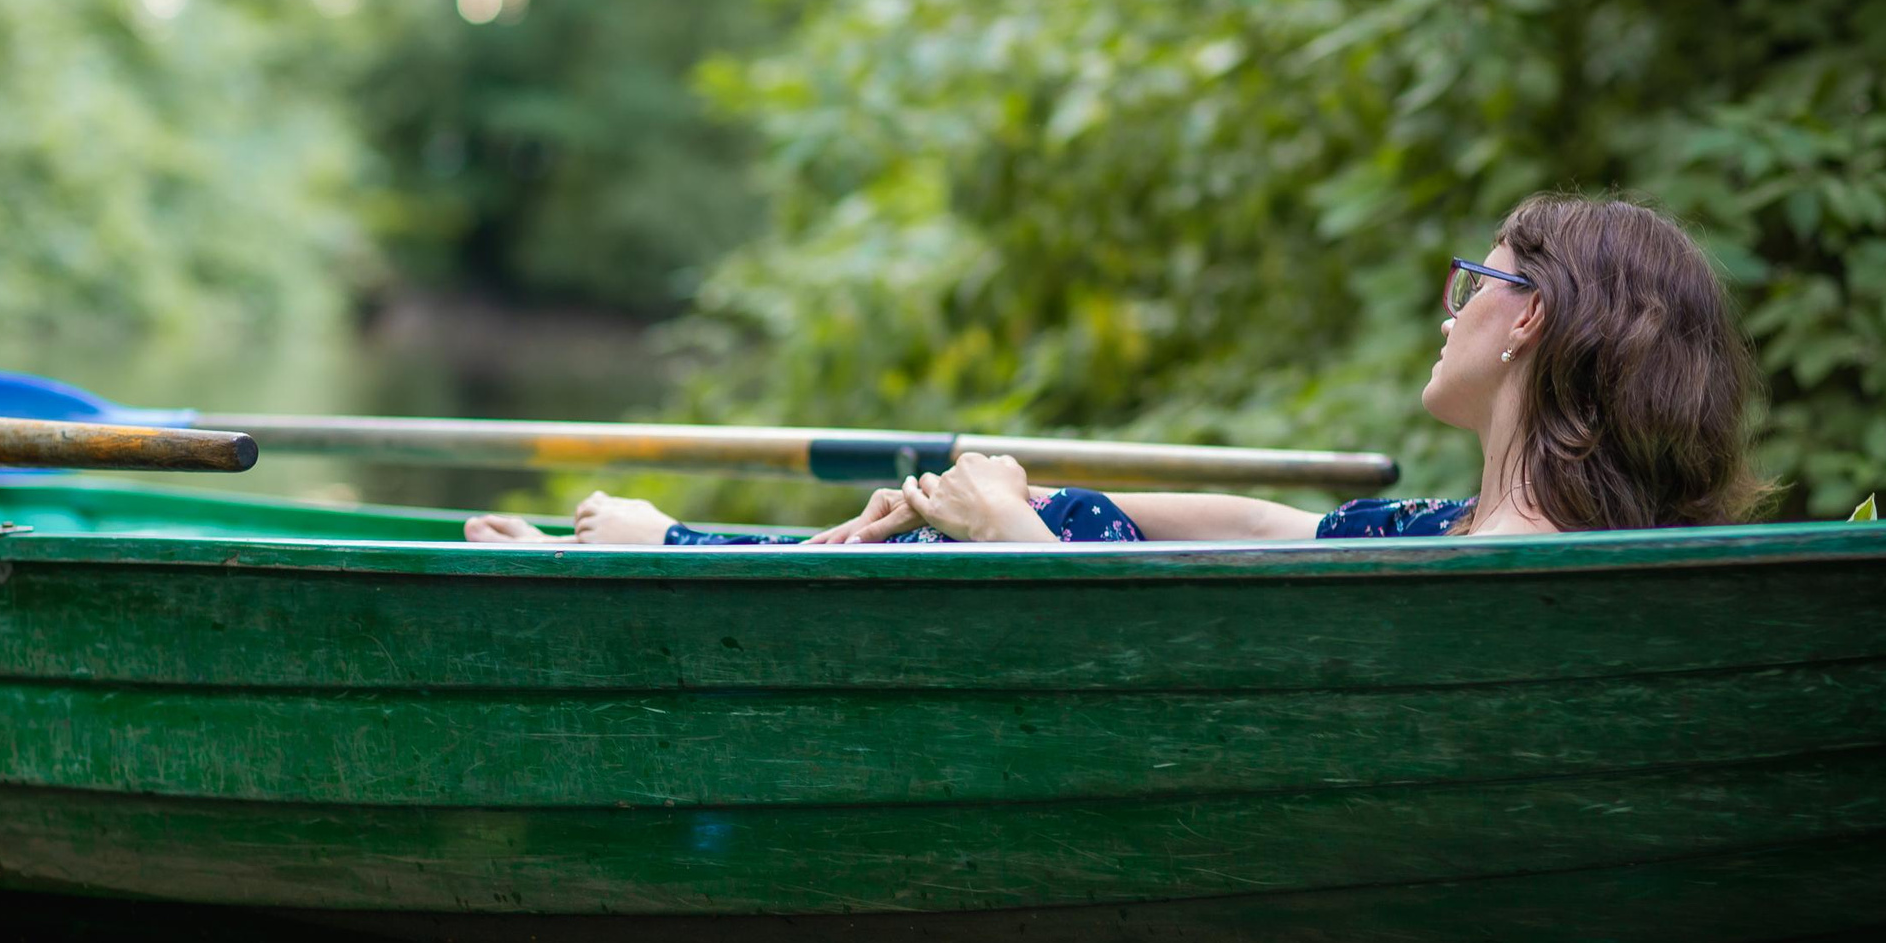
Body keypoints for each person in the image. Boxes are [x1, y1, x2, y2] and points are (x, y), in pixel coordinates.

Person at [466, 193, 1767, 547]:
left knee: (1054, 538)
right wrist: (1009, 497)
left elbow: (1184, 672)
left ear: (1528, 318)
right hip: (1022, 551)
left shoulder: (1497, 567)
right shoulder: (1464, 528)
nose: (1449, 314)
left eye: (1469, 284)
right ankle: (674, 550)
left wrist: (1011, 536)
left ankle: (659, 557)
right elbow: (1279, 529)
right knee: (1075, 518)